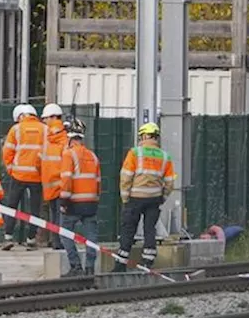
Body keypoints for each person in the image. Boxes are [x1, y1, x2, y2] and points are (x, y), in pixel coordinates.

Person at [113, 122, 177, 272]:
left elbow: (126, 177)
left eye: (141, 136)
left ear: (145, 135)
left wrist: (125, 197)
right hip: (154, 199)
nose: (140, 139)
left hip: (135, 198)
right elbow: (170, 182)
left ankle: (121, 263)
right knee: (150, 229)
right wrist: (163, 197)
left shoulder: (135, 153)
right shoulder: (164, 156)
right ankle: (147, 261)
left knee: (128, 230)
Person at [58, 118, 101, 277]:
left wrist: (64, 201)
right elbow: (98, 182)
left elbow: (66, 179)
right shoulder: (93, 156)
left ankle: (76, 266)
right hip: (90, 203)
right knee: (91, 236)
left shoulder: (69, 154)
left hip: (73, 203)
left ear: (69, 137)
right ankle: (90, 267)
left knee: (65, 233)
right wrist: (95, 200)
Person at [0, 103, 45, 250]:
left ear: (19, 116)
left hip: (19, 175)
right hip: (38, 176)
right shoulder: (45, 129)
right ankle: (31, 239)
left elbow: (7, 152)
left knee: (12, 206)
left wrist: (12, 169)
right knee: (35, 209)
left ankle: (8, 237)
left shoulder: (16, 129)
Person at [39, 103, 67, 250]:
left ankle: (58, 242)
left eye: (46, 118)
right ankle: (58, 242)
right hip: (60, 185)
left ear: (54, 117)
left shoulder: (49, 140)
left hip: (52, 185)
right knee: (59, 217)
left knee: (56, 216)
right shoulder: (62, 139)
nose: (44, 121)